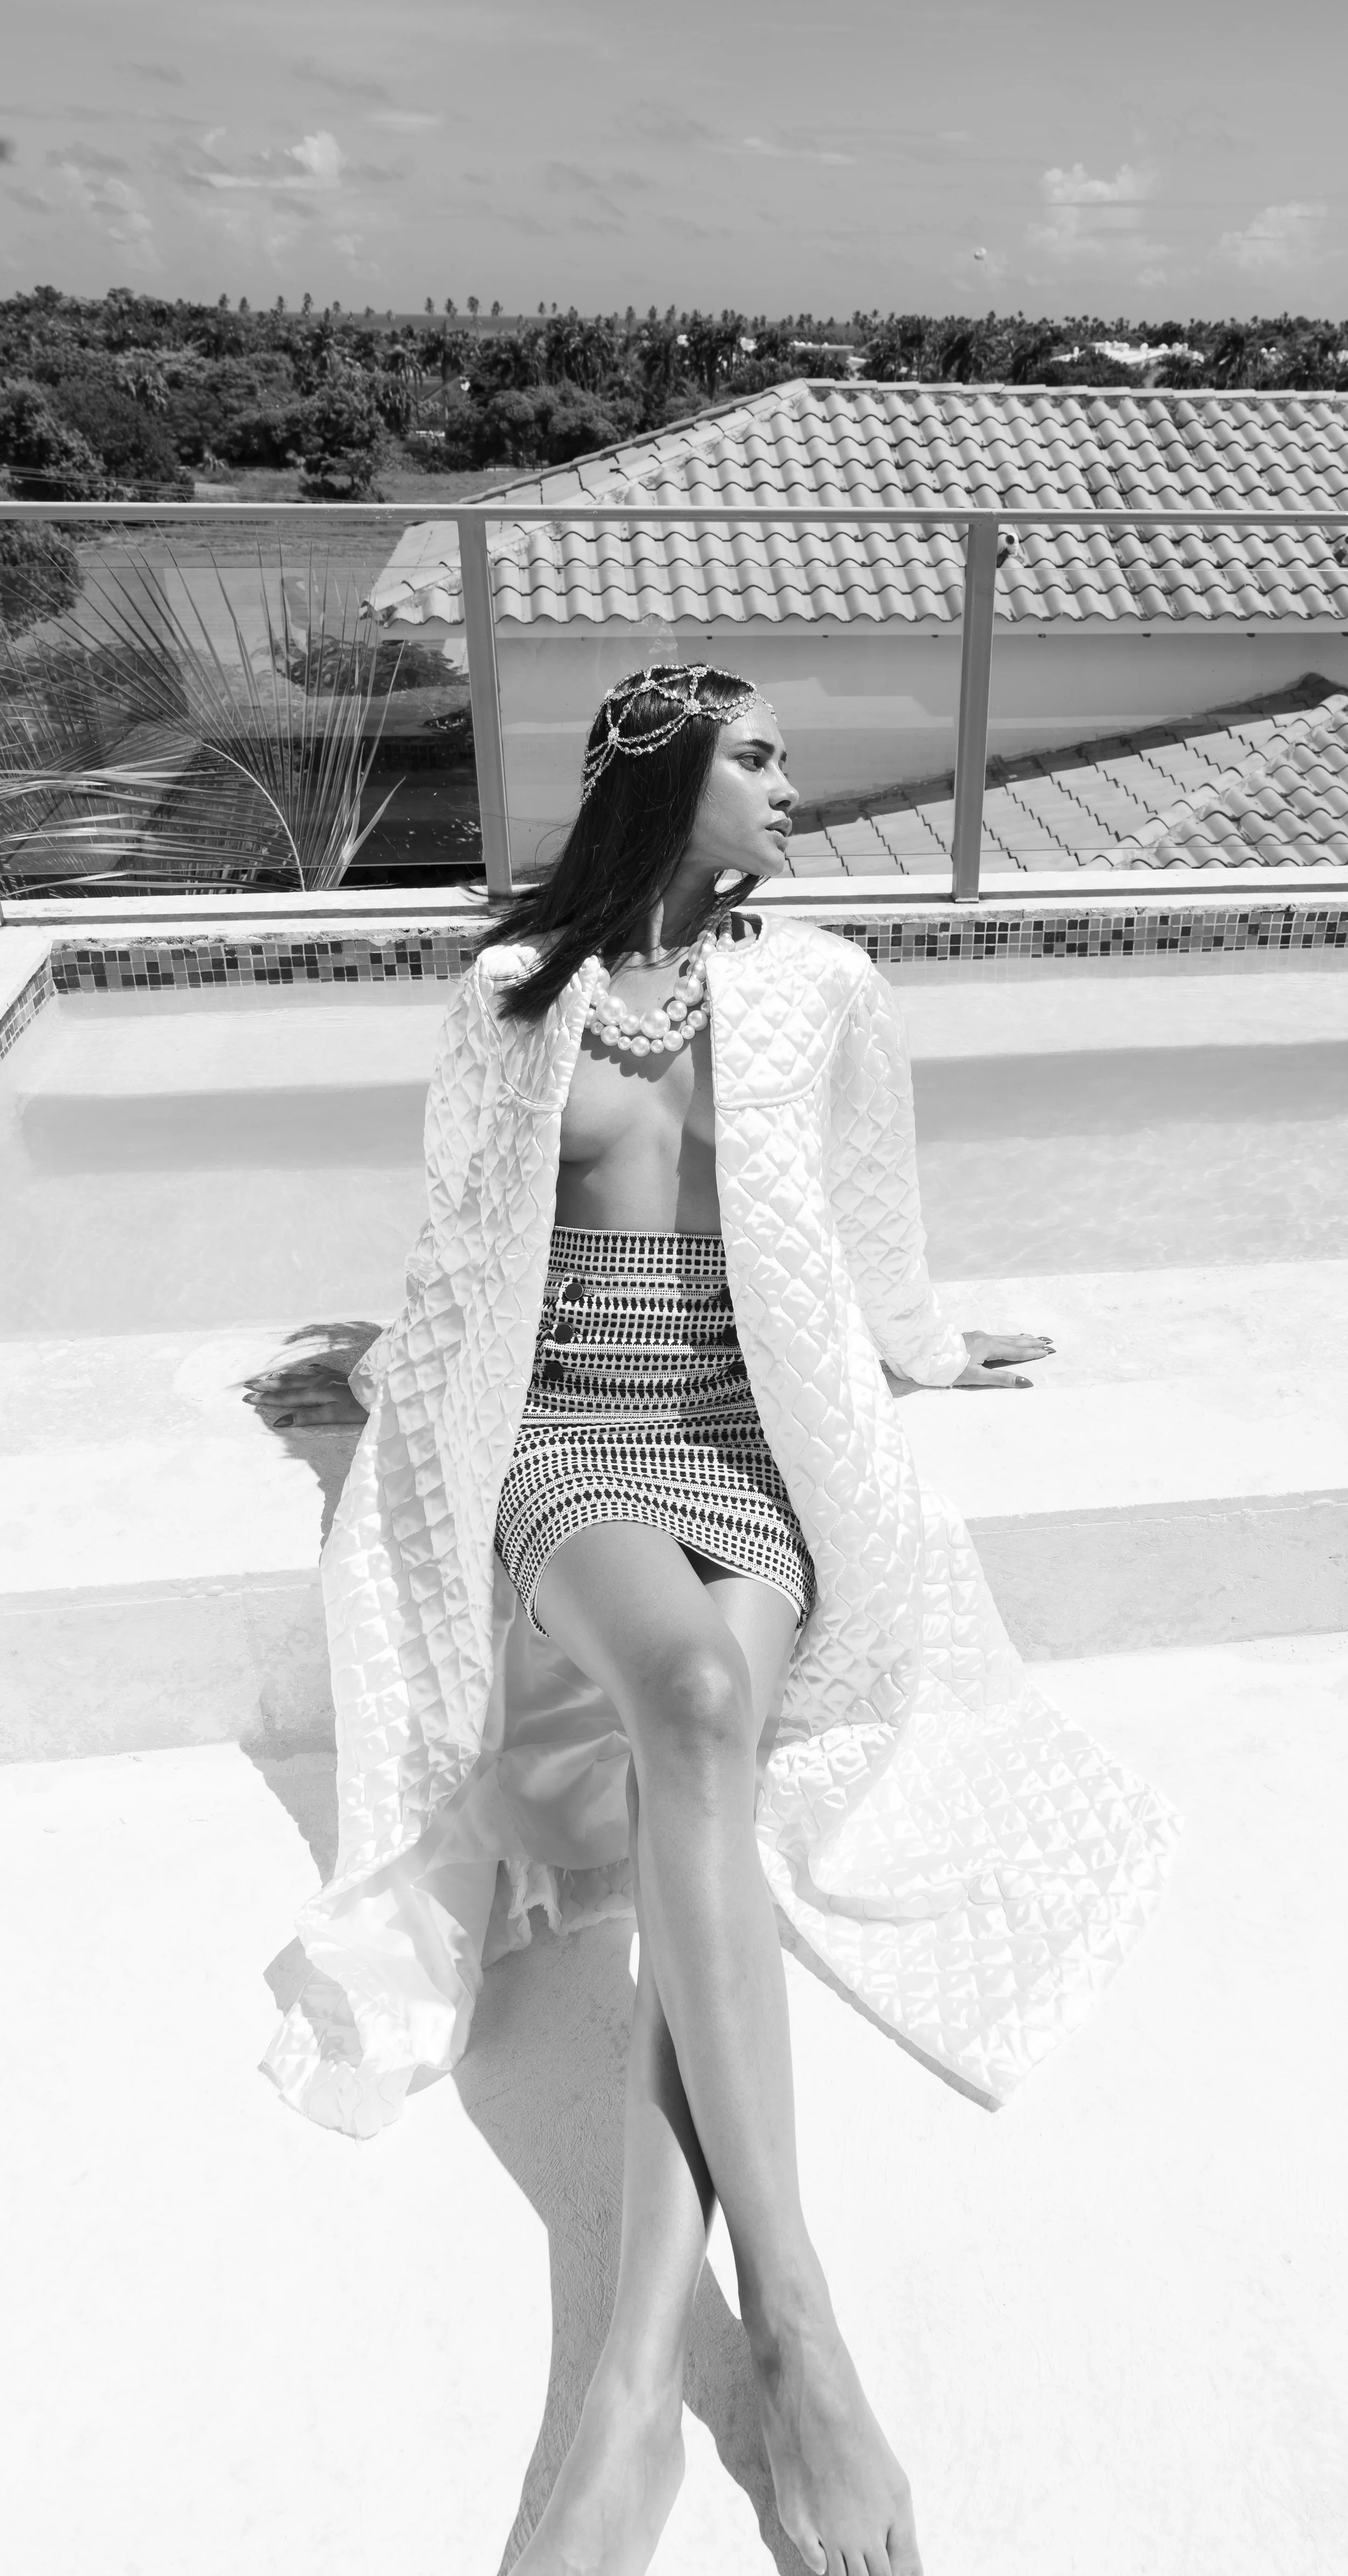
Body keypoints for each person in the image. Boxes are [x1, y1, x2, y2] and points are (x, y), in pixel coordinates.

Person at [262, 667, 1177, 2575]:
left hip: (748, 1441)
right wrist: (381, 1377)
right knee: (690, 1697)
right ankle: (798, 2332)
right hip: (567, 1436)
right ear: (664, 780)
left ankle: (632, 2398)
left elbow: (865, 1210)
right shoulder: (509, 996)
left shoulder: (820, 985)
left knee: (709, 1762)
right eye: (756, 759)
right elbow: (463, 1247)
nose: (793, 788)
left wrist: (928, 1347)